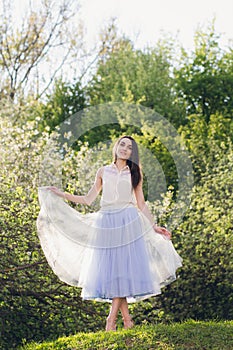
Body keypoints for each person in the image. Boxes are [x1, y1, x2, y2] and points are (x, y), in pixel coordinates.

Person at [37, 135, 182, 332]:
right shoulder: (103, 171)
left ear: (132, 152)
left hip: (129, 222)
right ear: (115, 147)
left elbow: (140, 203)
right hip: (106, 222)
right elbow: (88, 199)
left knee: (122, 270)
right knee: (115, 273)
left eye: (129, 147)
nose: (124, 148)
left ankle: (110, 320)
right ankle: (127, 320)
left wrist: (154, 226)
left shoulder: (135, 172)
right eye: (122, 144)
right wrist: (61, 194)